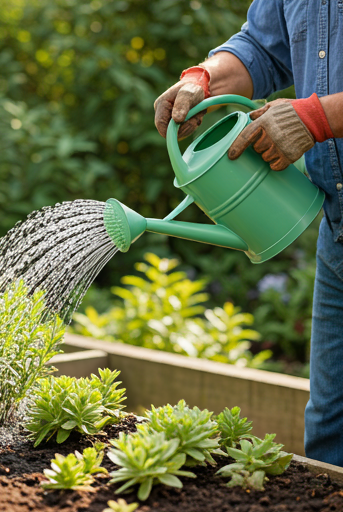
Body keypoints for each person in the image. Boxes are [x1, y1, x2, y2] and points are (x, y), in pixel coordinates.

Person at [154, 0, 343, 467]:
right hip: (339, 235)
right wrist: (203, 79)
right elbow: (261, 47)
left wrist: (319, 118)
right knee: (329, 433)